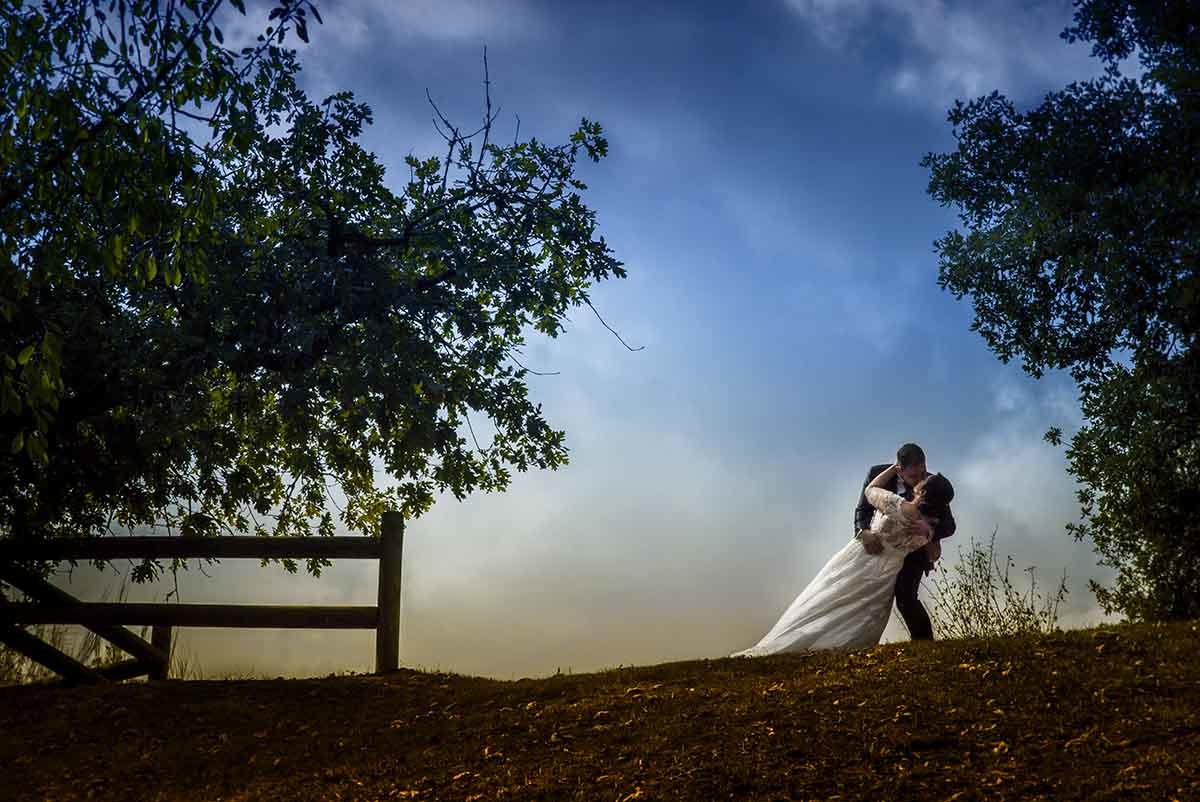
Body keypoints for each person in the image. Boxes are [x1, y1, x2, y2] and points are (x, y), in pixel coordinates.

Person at [732, 460, 954, 656]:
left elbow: (870, 491)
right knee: (862, 605)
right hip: (887, 568)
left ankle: (798, 639)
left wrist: (890, 470)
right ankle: (848, 641)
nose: (921, 478)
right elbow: (934, 553)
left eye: (923, 479)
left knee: (832, 595)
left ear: (923, 493)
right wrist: (929, 534)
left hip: (864, 560)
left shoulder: (903, 508)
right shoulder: (927, 528)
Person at [854, 443, 956, 640]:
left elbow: (949, 525)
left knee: (906, 597)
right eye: (913, 476)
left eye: (923, 472)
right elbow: (862, 509)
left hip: (912, 553)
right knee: (863, 596)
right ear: (899, 469)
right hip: (874, 546)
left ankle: (923, 642)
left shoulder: (932, 485)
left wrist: (930, 531)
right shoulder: (878, 473)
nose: (920, 479)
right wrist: (862, 532)